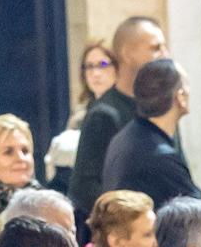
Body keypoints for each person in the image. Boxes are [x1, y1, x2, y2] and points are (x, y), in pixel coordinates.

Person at [70, 16, 169, 224]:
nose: (164, 55)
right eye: (156, 48)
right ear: (127, 54)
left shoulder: (160, 109)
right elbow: (84, 187)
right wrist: (125, 221)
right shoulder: (104, 114)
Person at [102, 58, 201, 207]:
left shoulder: (125, 136)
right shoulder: (161, 158)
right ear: (180, 97)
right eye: (187, 85)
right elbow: (200, 217)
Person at [43, 40, 117, 186]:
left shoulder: (122, 109)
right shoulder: (80, 113)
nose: (95, 73)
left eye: (103, 65)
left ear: (116, 67)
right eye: (89, 67)